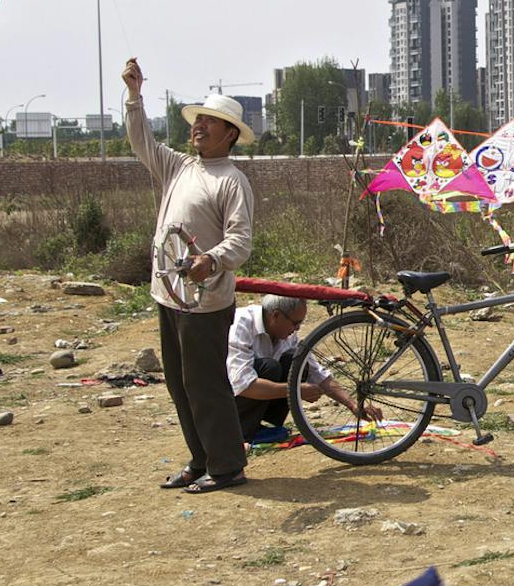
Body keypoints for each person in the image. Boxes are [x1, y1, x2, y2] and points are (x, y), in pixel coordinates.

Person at [123, 59, 256, 494]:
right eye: (198, 119)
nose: (199, 126)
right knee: (181, 384)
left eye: (210, 122)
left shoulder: (232, 181)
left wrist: (212, 261)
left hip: (205, 302)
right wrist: (135, 96)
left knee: (206, 384)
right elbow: (141, 141)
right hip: (170, 295)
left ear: (230, 135)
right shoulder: (179, 167)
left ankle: (227, 466)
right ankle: (201, 459)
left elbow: (240, 241)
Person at [227, 293, 374, 442]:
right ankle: (238, 432)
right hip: (221, 399)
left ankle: (260, 427)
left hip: (245, 395)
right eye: (295, 323)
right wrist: (295, 390)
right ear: (276, 316)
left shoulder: (287, 333)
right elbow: (243, 384)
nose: (298, 328)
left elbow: (317, 372)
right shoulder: (240, 324)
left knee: (297, 364)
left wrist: (353, 405)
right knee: (270, 368)